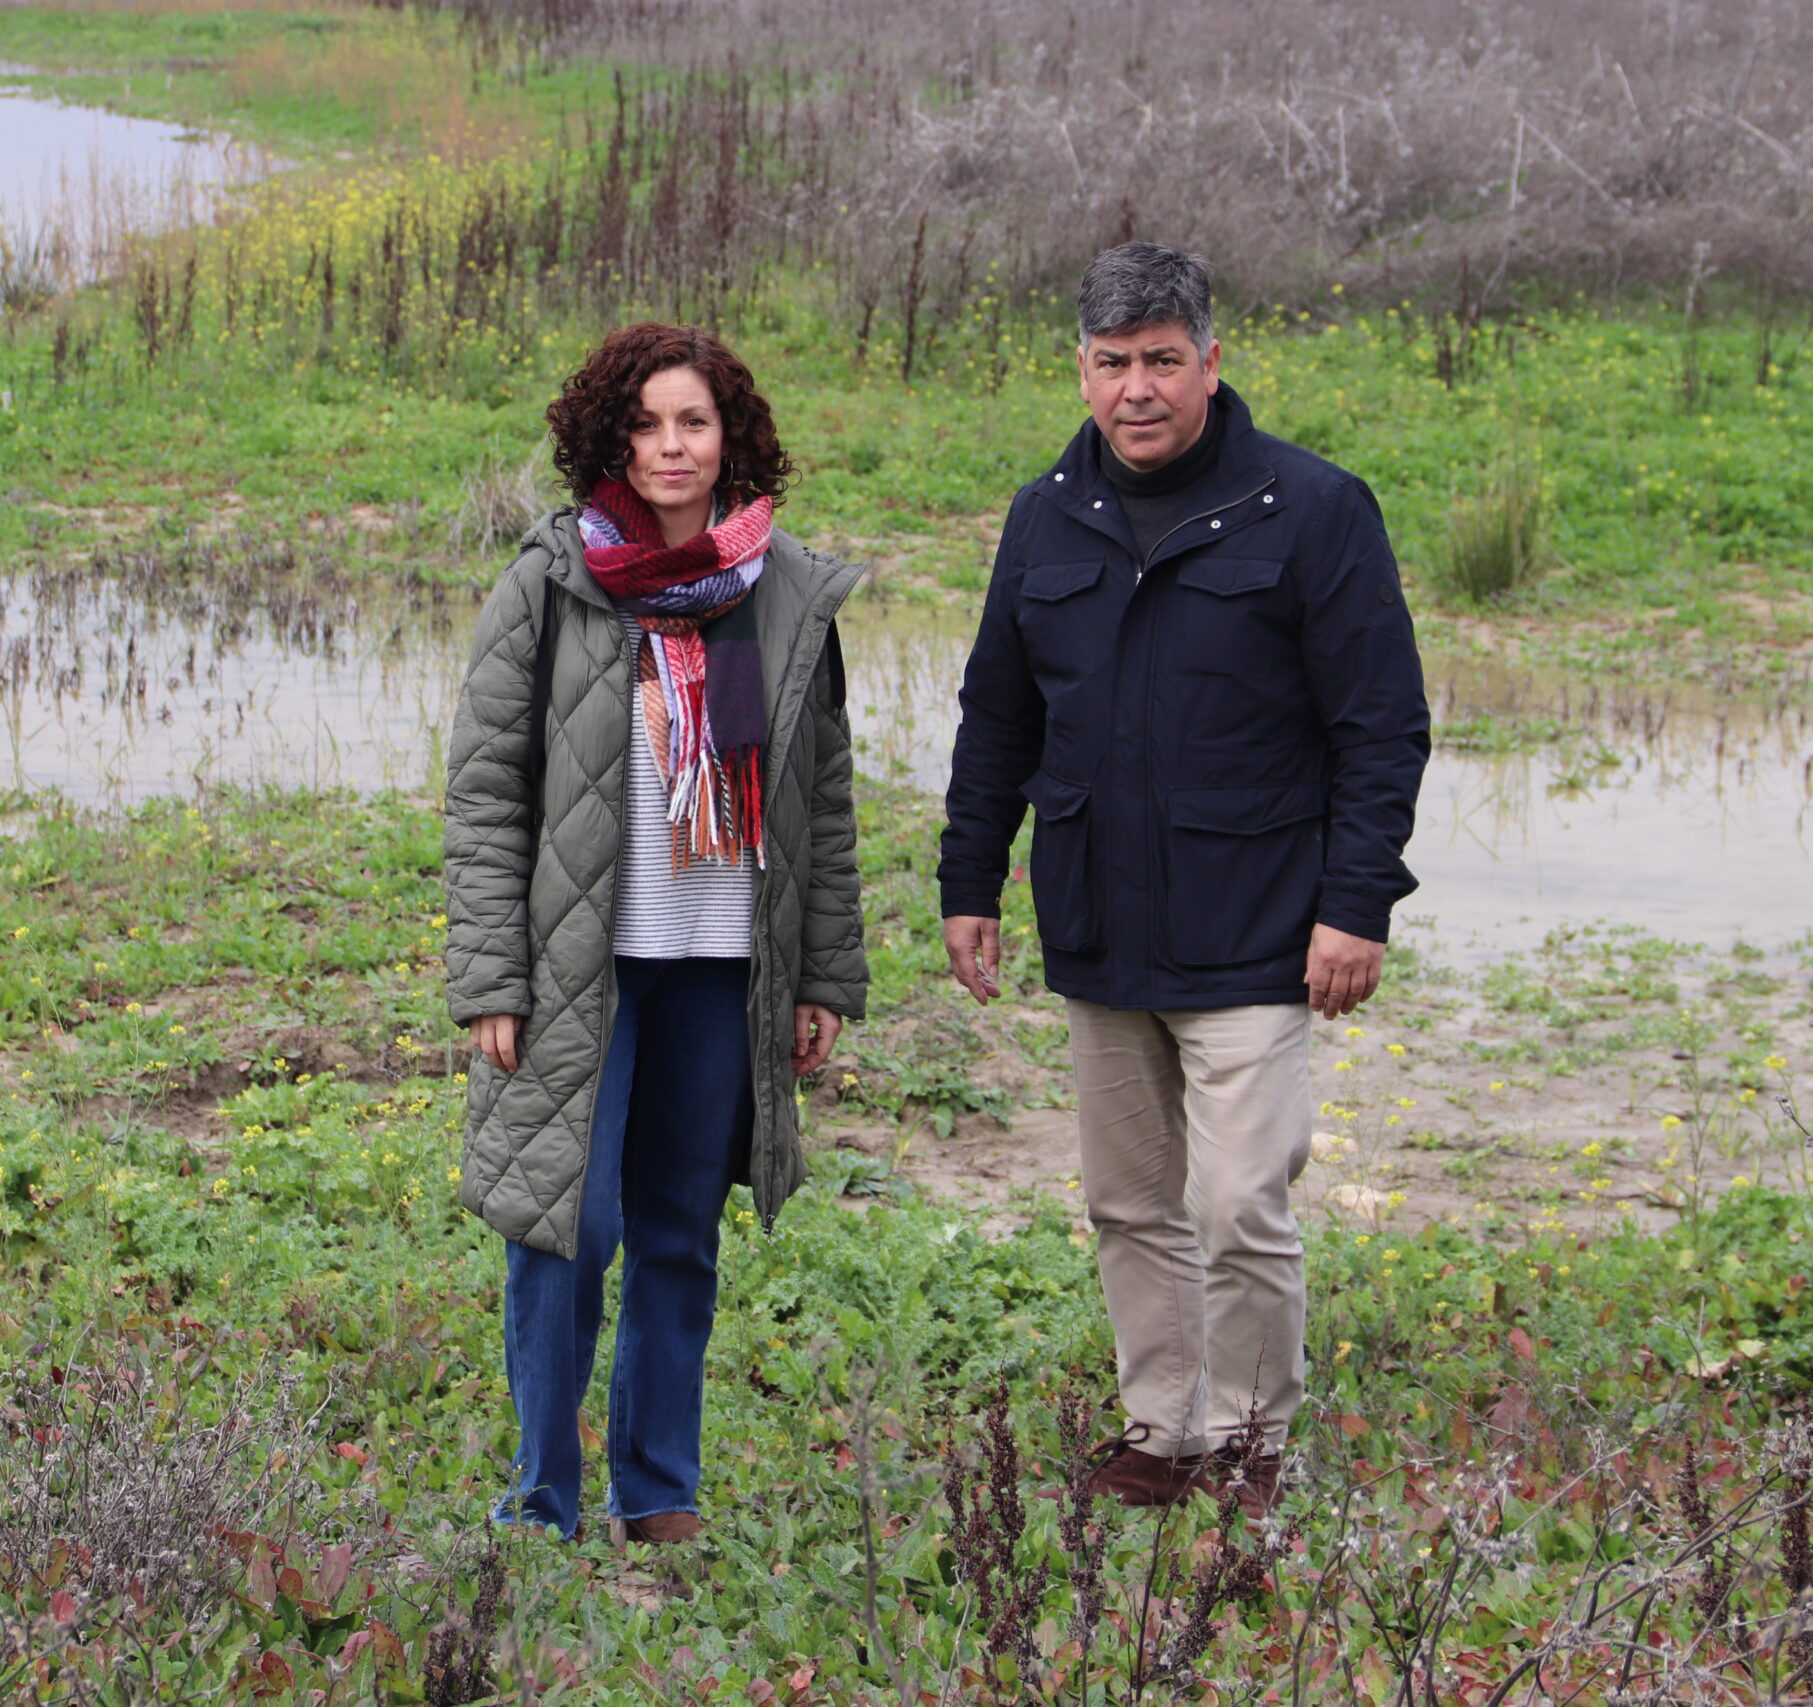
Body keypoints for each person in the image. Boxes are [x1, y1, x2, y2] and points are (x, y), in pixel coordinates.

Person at [937, 243, 1429, 1518]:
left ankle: (1256, 1445)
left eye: (1163, 360)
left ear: (1213, 361)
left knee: (1236, 1202)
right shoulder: (1046, 513)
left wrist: (1354, 904)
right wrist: (970, 878)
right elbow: (998, 715)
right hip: (1100, 918)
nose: (1137, 389)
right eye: (1113, 364)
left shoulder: (1314, 510)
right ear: (1081, 370)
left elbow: (1380, 724)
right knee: (1129, 1202)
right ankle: (1164, 1429)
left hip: (1259, 926)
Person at [443, 322, 868, 1545]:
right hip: (583, 966)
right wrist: (490, 977)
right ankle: (540, 1498)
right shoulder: (552, 578)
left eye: (692, 421)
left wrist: (822, 971)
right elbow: (485, 790)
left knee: (678, 1234)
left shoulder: (785, 588)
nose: (670, 446)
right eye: (645, 424)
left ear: (728, 433)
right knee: (563, 1231)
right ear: (607, 439)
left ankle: (659, 1491)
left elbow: (821, 799)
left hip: (722, 967)